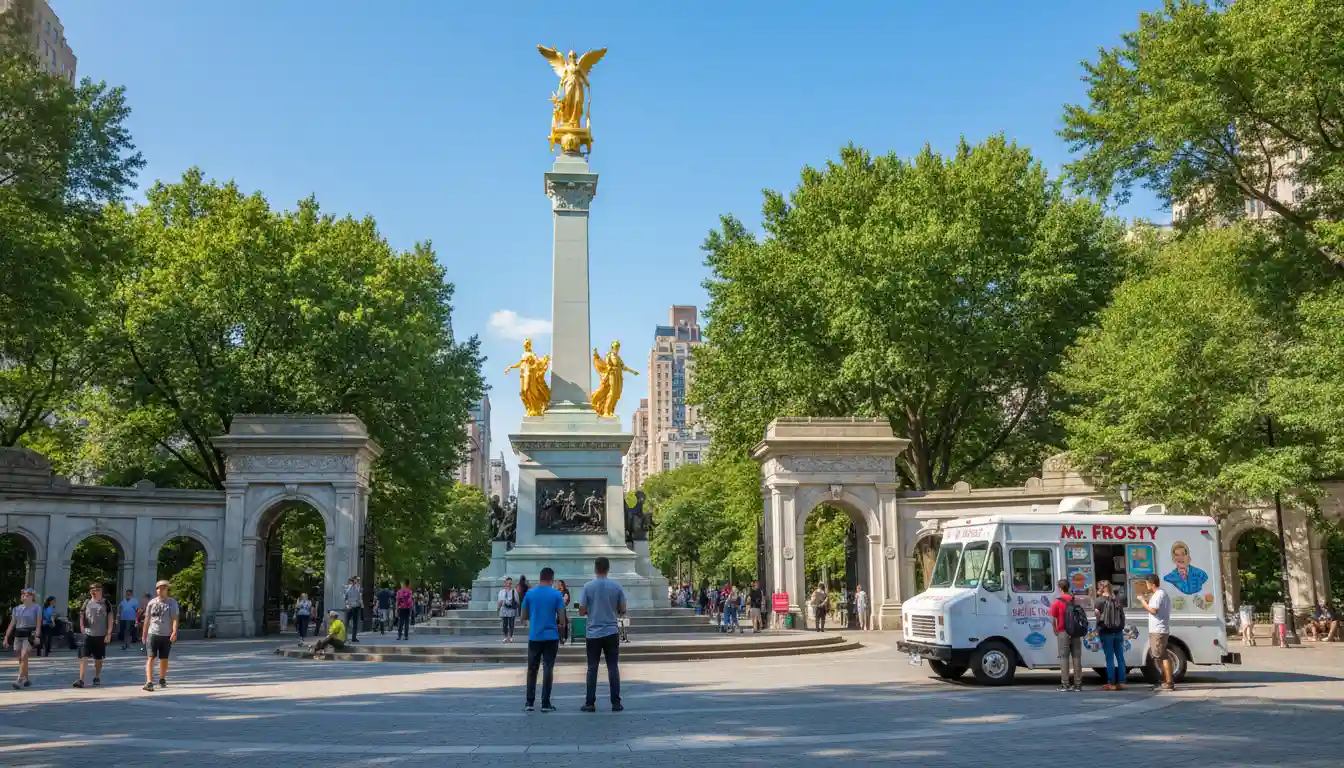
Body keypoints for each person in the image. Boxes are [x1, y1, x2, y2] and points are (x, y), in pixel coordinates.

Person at [578, 556, 626, 712]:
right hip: (611, 631)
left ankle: (590, 702)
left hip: (593, 632)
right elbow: (622, 609)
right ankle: (616, 702)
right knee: (613, 667)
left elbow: (582, 610)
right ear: (608, 568)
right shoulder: (617, 587)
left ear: (595, 568)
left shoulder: (588, 587)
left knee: (592, 668)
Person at [521, 567, 566, 712]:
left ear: (539, 578)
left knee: (532, 669)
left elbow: (523, 617)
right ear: (552, 579)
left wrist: (534, 617)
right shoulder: (556, 594)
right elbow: (562, 618)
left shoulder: (530, 593)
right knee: (548, 668)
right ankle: (545, 703)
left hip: (535, 635)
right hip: (551, 636)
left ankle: (529, 702)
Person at [141, 580, 180, 692]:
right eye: (158, 588)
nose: (160, 590)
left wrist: (174, 632)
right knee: (151, 657)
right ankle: (149, 682)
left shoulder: (172, 603)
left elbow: (175, 619)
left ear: (167, 589)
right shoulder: (151, 603)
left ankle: (162, 678)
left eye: (163, 588)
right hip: (153, 633)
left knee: (164, 658)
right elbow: (147, 619)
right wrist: (144, 634)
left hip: (166, 634)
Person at [1141, 572, 1175, 691]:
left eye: (1147, 583)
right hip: (1159, 629)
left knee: (1161, 655)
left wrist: (1142, 601)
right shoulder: (1160, 594)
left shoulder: (1158, 594)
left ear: (1151, 583)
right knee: (1159, 655)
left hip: (1158, 629)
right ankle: (1165, 680)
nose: (1146, 585)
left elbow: (1153, 610)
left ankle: (1169, 681)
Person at [73, 583, 111, 688]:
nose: (94, 592)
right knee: (84, 656)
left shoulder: (106, 603)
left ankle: (97, 676)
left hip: (101, 634)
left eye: (97, 590)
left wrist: (109, 633)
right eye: (92, 590)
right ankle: (81, 679)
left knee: (98, 659)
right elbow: (81, 616)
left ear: (101, 591)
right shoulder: (86, 603)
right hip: (87, 634)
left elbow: (110, 618)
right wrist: (82, 629)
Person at [1049, 578, 1083, 692]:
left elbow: (1054, 619)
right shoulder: (1074, 600)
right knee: (1077, 657)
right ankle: (1078, 684)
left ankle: (1065, 684)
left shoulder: (1057, 602)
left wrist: (1056, 631)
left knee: (1064, 658)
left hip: (1063, 631)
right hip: (1076, 632)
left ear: (1059, 588)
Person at [5, 587, 42, 689]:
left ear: (32, 596)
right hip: (18, 634)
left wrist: (37, 636)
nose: (24, 596)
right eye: (23, 594)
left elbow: (38, 624)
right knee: (20, 659)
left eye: (27, 594)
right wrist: (6, 637)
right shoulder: (16, 609)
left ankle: (19, 679)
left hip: (29, 633)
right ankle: (26, 678)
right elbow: (12, 623)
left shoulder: (37, 608)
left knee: (24, 655)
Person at [1094, 580, 1127, 690]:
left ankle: (1111, 683)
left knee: (1110, 658)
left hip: (1106, 632)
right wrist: (1119, 628)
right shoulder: (1118, 600)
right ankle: (1122, 682)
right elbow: (1122, 616)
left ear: (1101, 588)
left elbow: (1098, 617)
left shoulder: (1099, 601)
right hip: (1118, 632)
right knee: (1120, 657)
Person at [498, 577, 519, 643]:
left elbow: (517, 601)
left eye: (510, 583)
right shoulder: (501, 591)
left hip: (511, 609)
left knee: (511, 624)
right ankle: (505, 637)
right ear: (505, 583)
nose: (509, 584)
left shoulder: (514, 591)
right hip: (504, 609)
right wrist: (498, 608)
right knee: (504, 624)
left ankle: (511, 637)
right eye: (508, 583)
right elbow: (500, 601)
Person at [342, 576, 363, 643]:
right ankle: (344, 637)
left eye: (356, 581)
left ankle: (353, 638)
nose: (355, 582)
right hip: (350, 607)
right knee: (347, 624)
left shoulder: (357, 587)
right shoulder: (347, 588)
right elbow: (345, 598)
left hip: (355, 607)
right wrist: (347, 605)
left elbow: (359, 597)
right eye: (354, 581)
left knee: (354, 624)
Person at [557, 579, 571, 645]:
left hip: (562, 609)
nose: (559, 585)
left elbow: (568, 599)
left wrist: (565, 603)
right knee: (558, 623)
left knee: (563, 623)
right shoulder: (556, 591)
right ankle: (560, 637)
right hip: (556, 610)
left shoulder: (566, 591)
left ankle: (563, 637)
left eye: (560, 584)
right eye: (558, 584)